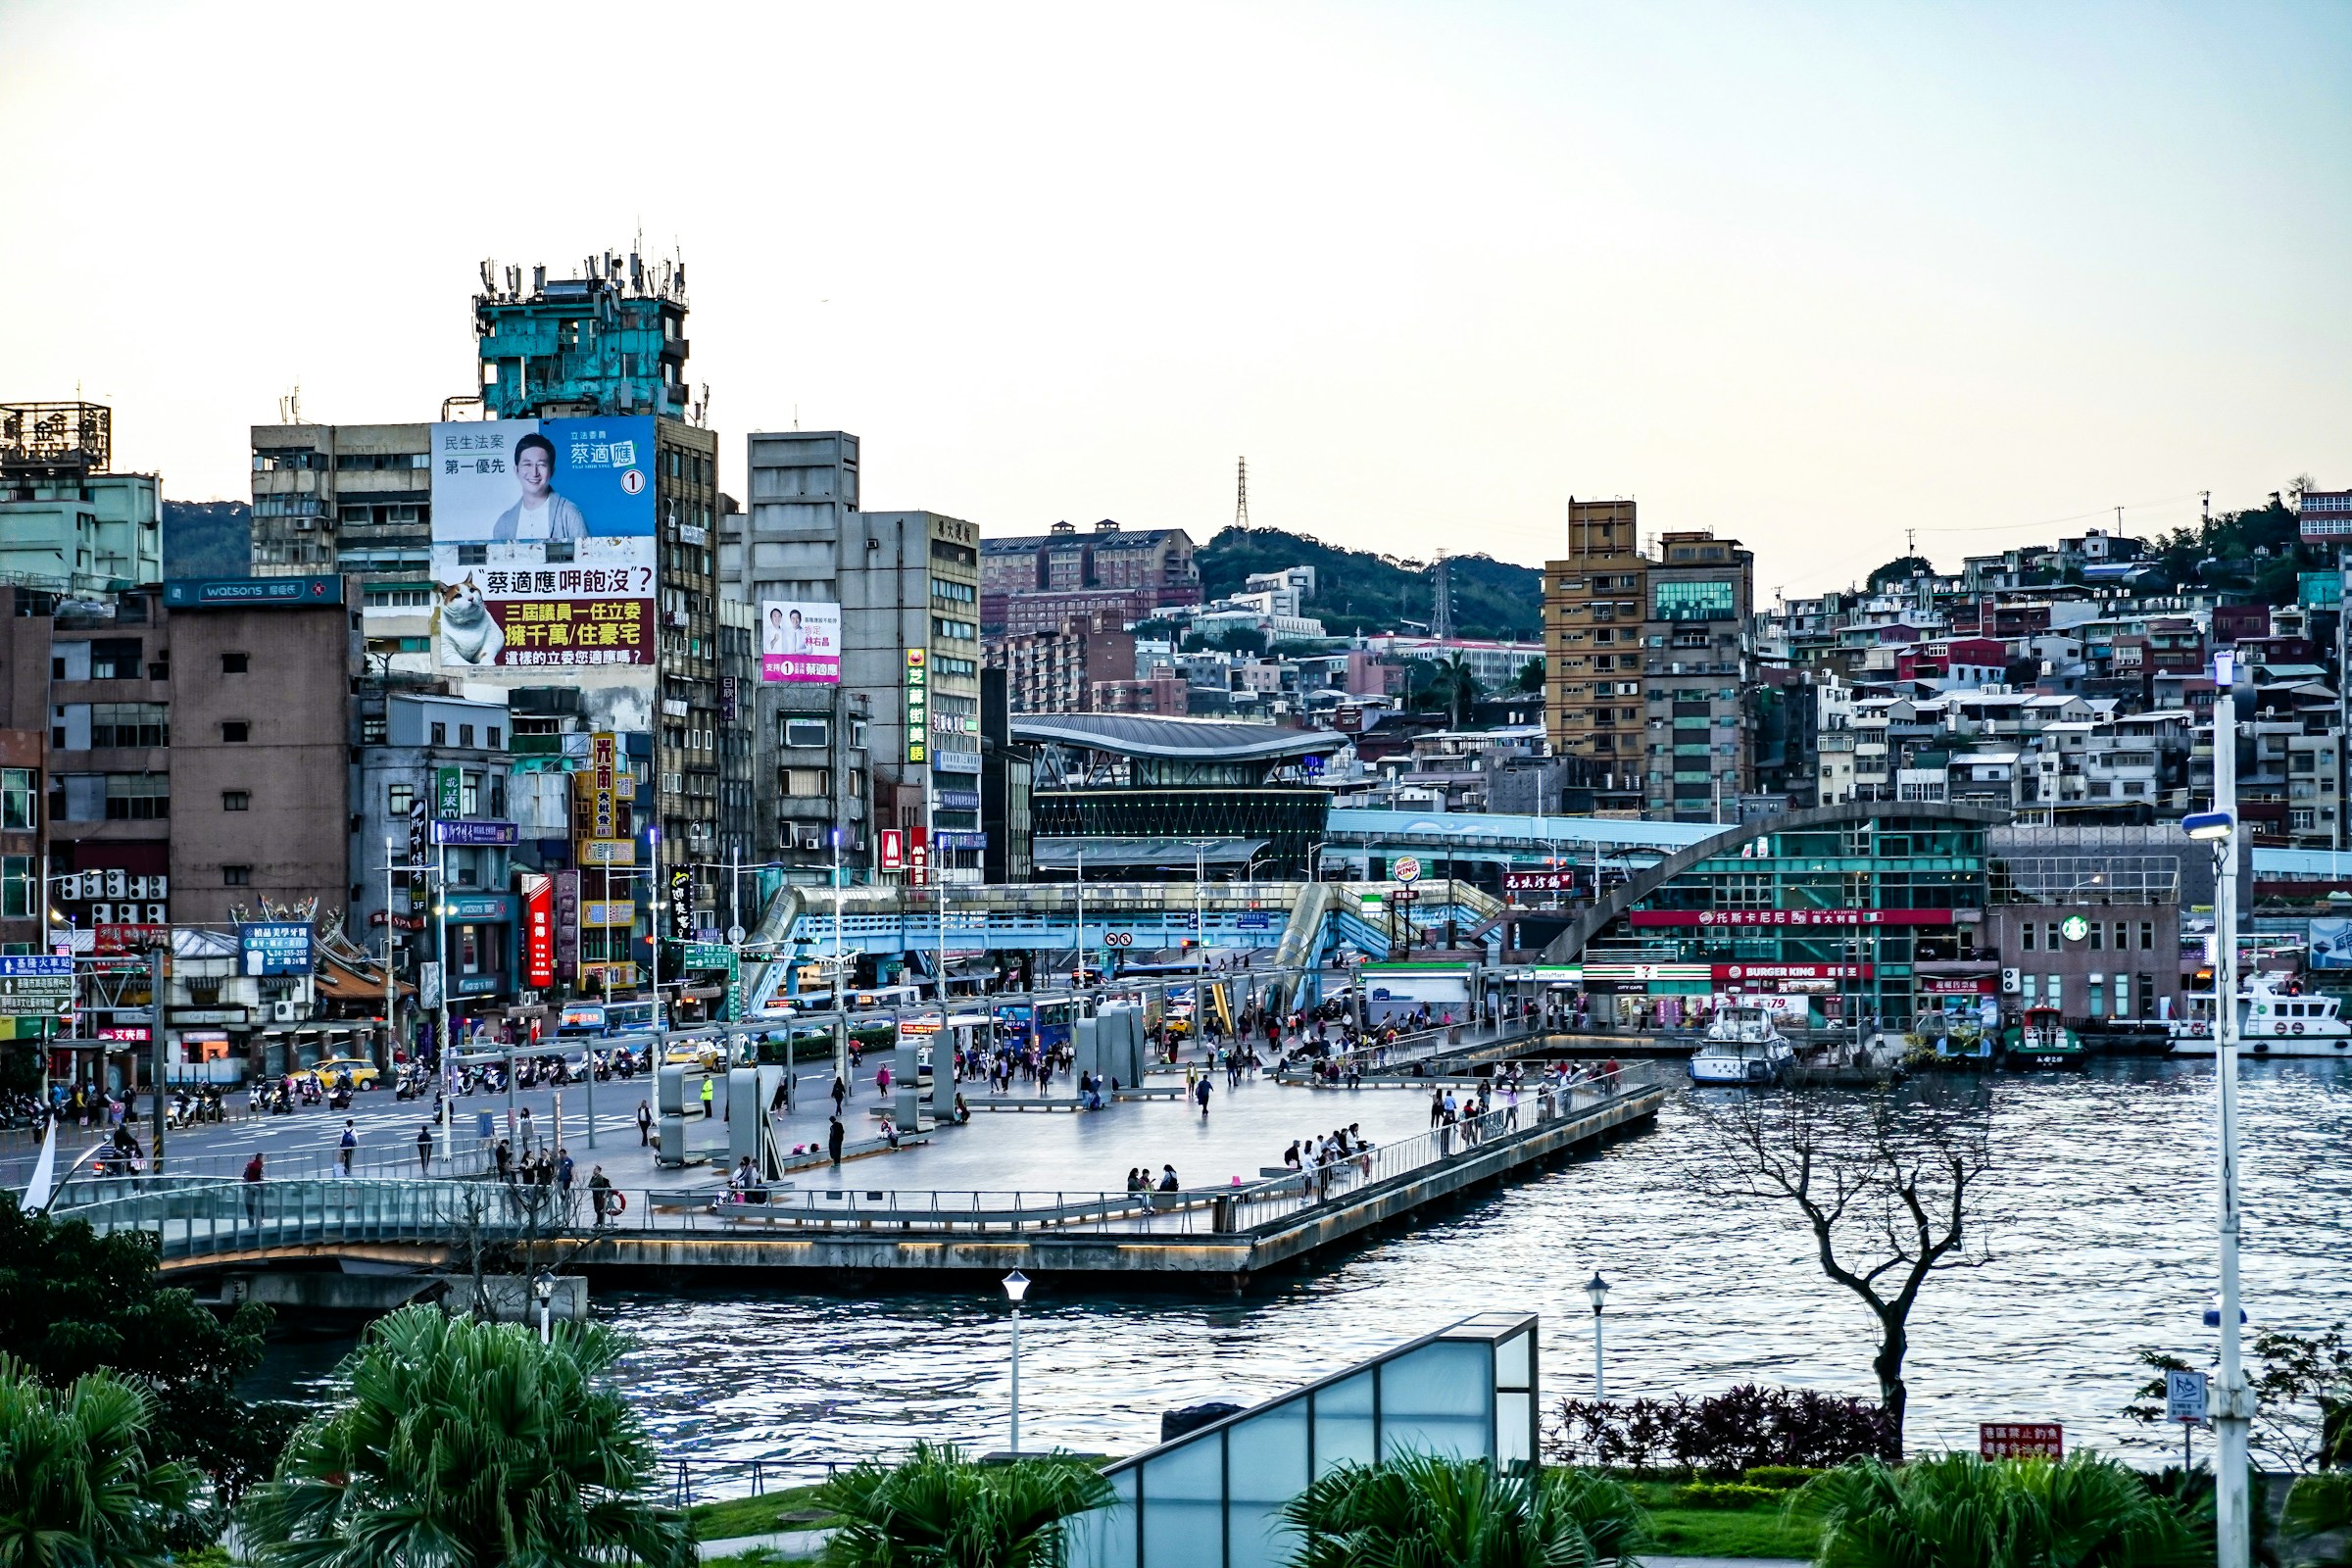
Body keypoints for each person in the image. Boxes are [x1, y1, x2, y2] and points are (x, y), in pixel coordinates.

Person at [489, 431, 589, 543]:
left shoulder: (569, 514)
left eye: (541, 464)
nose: (534, 473)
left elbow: (586, 557)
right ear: (516, 470)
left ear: (552, 471)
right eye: (527, 464)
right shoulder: (504, 523)